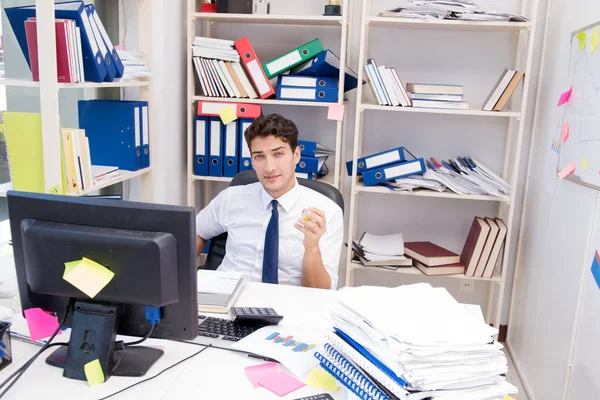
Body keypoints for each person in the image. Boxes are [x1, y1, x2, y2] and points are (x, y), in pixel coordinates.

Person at [195, 114, 343, 289]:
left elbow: (320, 294)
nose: (269, 167)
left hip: (289, 305)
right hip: (229, 299)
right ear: (252, 160)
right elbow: (197, 233)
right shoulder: (231, 198)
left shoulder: (326, 211)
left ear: (296, 155)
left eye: (278, 154)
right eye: (259, 156)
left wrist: (311, 248)